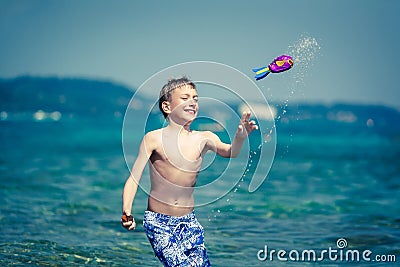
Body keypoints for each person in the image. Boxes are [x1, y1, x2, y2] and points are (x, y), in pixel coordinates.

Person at [121, 76, 258, 267]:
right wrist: (127, 211)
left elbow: (231, 152)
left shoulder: (204, 138)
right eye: (185, 98)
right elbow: (134, 178)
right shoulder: (153, 139)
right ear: (167, 107)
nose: (193, 101)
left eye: (195, 98)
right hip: (159, 223)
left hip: (190, 222)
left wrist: (240, 137)